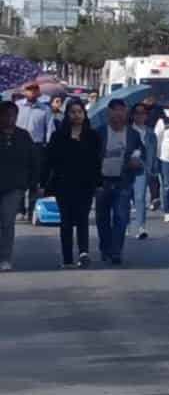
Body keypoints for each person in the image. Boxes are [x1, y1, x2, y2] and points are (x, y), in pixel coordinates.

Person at [47, 99, 99, 268]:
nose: (76, 115)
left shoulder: (93, 136)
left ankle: (84, 252)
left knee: (83, 218)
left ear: (84, 114)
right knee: (66, 221)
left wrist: (98, 182)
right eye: (73, 112)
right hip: (64, 184)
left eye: (79, 112)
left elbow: (96, 161)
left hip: (85, 184)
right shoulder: (58, 136)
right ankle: (67, 257)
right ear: (67, 115)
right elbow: (52, 160)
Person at [95, 100, 145, 266]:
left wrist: (137, 162)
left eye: (122, 111)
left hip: (123, 181)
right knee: (102, 218)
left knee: (121, 217)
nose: (119, 114)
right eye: (115, 111)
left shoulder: (133, 134)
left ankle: (116, 251)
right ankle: (105, 248)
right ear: (109, 113)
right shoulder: (99, 133)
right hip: (102, 181)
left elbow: (140, 153)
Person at [0, 101, 43, 271]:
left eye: (12, 115)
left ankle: (5, 257)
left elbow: (34, 161)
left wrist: (34, 184)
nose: (9, 119)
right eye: (5, 115)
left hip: (15, 186)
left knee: (7, 220)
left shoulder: (23, 136)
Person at [128, 101, 156, 241]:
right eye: (137, 113)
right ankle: (125, 225)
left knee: (140, 198)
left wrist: (152, 169)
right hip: (126, 168)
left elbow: (153, 152)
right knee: (126, 198)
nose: (140, 116)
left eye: (143, 113)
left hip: (143, 168)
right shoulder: (127, 131)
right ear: (132, 115)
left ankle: (141, 227)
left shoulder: (150, 132)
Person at [16, 82, 54, 146]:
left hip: (36, 144)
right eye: (29, 89)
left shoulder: (45, 109)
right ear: (24, 92)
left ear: (39, 92)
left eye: (36, 88)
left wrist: (48, 143)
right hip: (18, 141)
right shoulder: (17, 105)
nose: (32, 91)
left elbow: (50, 128)